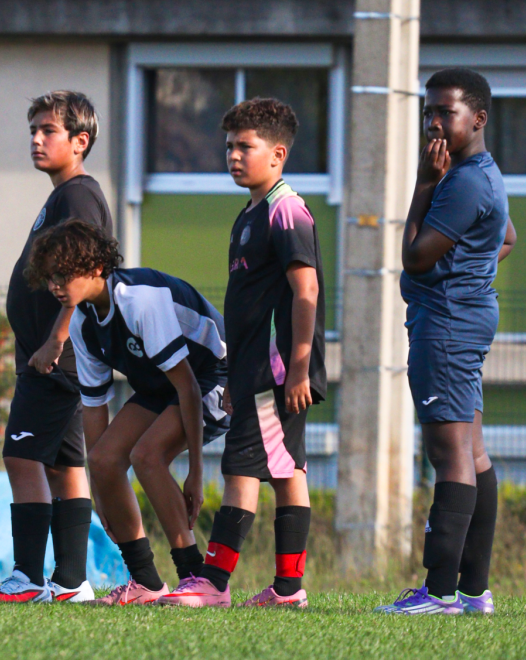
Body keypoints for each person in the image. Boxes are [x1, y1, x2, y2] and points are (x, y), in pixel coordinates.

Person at [160, 98, 326, 608]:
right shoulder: (251, 211)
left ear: (277, 154)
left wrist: (297, 368)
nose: (233, 155)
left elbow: (307, 291)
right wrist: (234, 377)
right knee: (283, 471)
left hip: (277, 372)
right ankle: (286, 590)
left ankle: (213, 584)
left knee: (245, 471)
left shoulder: (285, 210)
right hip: (255, 371)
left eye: (244, 146)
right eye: (229, 145)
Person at [25, 219, 229, 605]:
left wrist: (197, 475)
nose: (54, 285)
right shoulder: (83, 321)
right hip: (162, 383)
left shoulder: (140, 300)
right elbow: (93, 406)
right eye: (49, 277)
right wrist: (103, 488)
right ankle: (146, 583)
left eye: (62, 275)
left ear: (96, 267)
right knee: (102, 459)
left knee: (147, 456)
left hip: (213, 376)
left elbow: (187, 386)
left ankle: (196, 579)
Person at [376, 68, 516, 615]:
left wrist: (423, 185)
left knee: (448, 452)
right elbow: (506, 237)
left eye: (445, 113)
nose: (433, 123)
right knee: (473, 451)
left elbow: (413, 256)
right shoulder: (482, 173)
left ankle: (438, 593)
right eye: (427, 112)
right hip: (462, 315)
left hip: (448, 324)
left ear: (477, 119)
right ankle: (474, 590)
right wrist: (472, 272)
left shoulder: (458, 181)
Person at [0, 91, 112, 604]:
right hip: (51, 352)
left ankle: (28, 577)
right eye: (32, 129)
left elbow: (89, 271)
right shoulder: (61, 195)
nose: (35, 139)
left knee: (21, 456)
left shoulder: (78, 196)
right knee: (64, 465)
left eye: (47, 131)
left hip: (57, 355)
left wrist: (56, 338)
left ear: (80, 142)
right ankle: (72, 582)